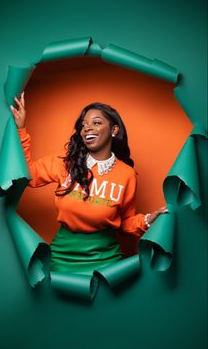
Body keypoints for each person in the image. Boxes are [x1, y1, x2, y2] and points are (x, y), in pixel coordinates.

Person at [10, 92, 168, 274]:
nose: (87, 128)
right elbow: (26, 175)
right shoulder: (65, 163)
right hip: (62, 258)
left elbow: (125, 222)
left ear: (114, 130)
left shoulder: (127, 174)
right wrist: (21, 130)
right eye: (84, 125)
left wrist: (148, 220)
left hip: (106, 261)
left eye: (96, 123)